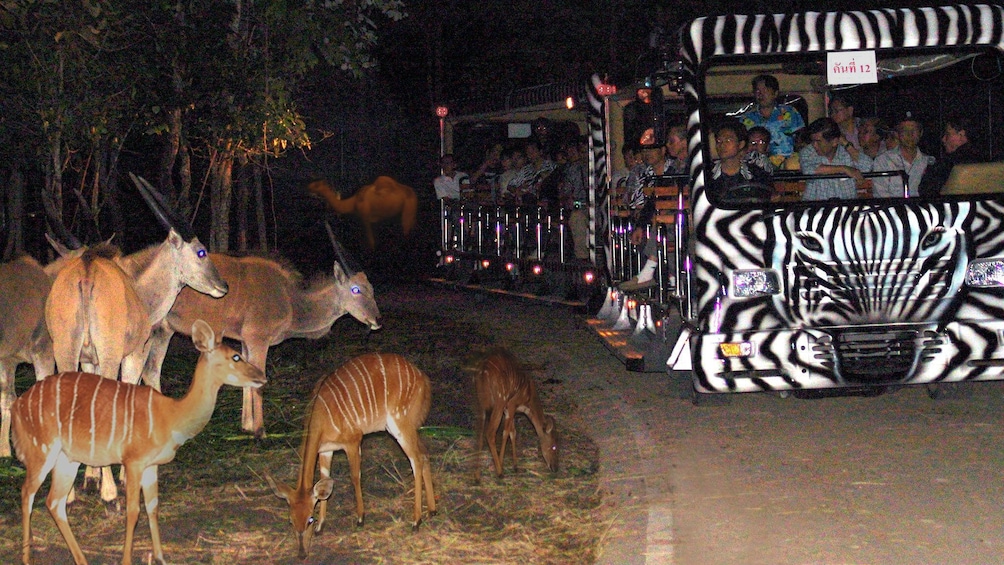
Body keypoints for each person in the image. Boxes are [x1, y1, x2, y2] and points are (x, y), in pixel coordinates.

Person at [619, 125, 686, 291]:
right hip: (667, 217)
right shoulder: (673, 168)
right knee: (660, 221)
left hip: (688, 217)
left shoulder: (692, 164)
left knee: (663, 222)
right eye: (644, 150)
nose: (668, 146)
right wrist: (641, 224)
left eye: (671, 142)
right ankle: (669, 277)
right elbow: (653, 198)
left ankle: (652, 271)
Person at [800, 117, 873, 201]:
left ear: (834, 142)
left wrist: (846, 144)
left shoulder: (846, 153)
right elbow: (809, 170)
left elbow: (868, 166)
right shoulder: (808, 151)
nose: (814, 145)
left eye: (818, 141)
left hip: (847, 208)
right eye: (813, 141)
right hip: (816, 208)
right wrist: (844, 169)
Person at [738, 74, 806, 160]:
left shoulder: (789, 112)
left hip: (787, 163)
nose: (760, 94)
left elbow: (801, 138)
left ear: (775, 93)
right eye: (757, 91)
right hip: (757, 164)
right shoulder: (746, 118)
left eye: (765, 90)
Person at [709, 118, 773, 202]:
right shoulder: (706, 174)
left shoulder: (757, 173)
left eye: (728, 140)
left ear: (741, 144)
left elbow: (769, 197)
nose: (722, 145)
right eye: (719, 141)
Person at [918, 113, 981, 198]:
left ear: (961, 135)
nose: (943, 139)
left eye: (948, 134)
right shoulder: (981, 159)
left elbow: (926, 189)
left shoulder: (949, 163)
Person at [872, 111, 932, 198]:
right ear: (897, 134)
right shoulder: (883, 161)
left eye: (914, 130)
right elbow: (880, 196)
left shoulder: (929, 162)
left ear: (921, 133)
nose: (909, 135)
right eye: (904, 130)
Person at [559, 137, 591, 260]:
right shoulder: (573, 169)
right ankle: (582, 257)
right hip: (582, 206)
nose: (585, 155)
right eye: (582, 152)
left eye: (588, 151)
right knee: (576, 217)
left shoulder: (603, 167)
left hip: (602, 208)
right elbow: (566, 192)